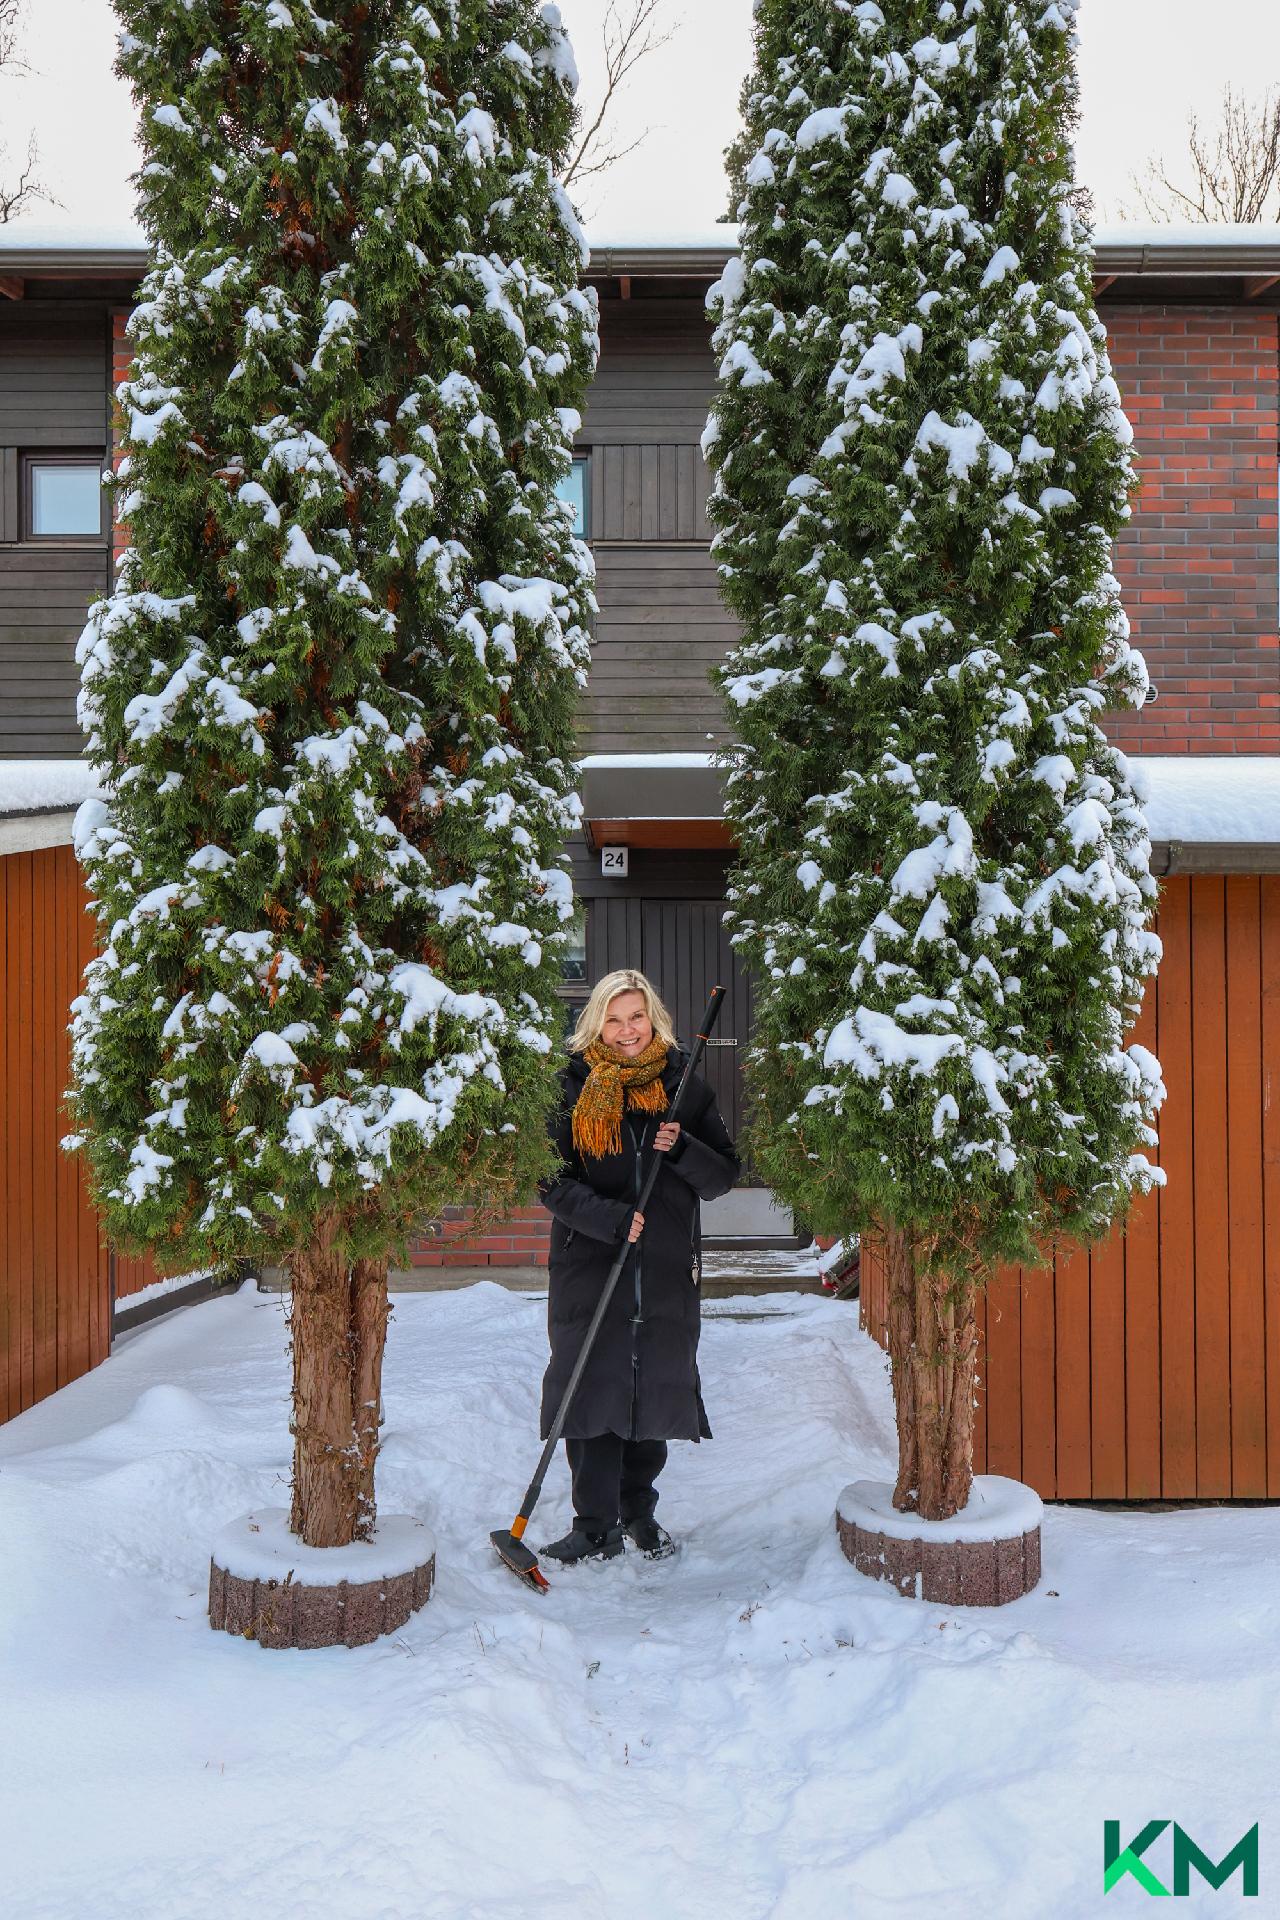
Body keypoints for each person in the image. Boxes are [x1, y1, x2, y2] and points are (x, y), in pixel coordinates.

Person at [537, 968, 740, 1564]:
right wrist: (608, 1219)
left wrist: (682, 1147)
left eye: (638, 1016)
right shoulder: (570, 1091)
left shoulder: (685, 1087)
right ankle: (593, 1524)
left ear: (654, 1018)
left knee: (652, 1391)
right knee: (591, 1392)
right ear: (596, 1023)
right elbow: (549, 1180)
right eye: (615, 1018)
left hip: (664, 1267)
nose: (628, 1030)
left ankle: (638, 1515)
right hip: (591, 1264)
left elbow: (724, 1176)